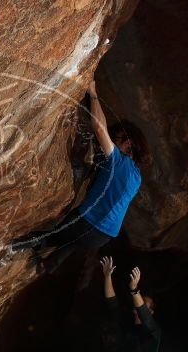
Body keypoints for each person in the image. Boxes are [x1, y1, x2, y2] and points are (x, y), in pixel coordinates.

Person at [14, 79, 149, 275]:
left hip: (87, 222)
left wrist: (93, 93)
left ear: (127, 143)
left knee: (48, 237)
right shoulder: (137, 177)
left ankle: (6, 247)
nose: (111, 142)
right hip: (103, 236)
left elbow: (98, 126)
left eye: (116, 139)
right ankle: (47, 265)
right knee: (71, 241)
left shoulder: (119, 162)